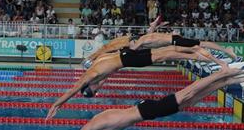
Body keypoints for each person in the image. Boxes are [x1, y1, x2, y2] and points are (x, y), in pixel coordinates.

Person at [28, 65, 244, 130]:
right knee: (188, 102)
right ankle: (229, 80)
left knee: (188, 93)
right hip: (144, 109)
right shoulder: (98, 129)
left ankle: (223, 72)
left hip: (145, 110)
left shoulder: (92, 127)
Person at [45, 45, 225, 120]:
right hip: (126, 54)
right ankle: (201, 55)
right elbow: (108, 50)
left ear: (89, 86)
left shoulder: (89, 76)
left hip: (129, 60)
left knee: (167, 54)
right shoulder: (97, 68)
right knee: (167, 51)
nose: (98, 89)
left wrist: (56, 104)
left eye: (94, 91)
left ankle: (203, 56)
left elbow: (72, 90)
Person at [84, 17, 237, 66]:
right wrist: (157, 23)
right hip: (174, 41)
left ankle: (223, 57)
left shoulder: (140, 41)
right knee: (198, 47)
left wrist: (106, 55)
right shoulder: (144, 38)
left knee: (200, 45)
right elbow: (151, 28)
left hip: (175, 41)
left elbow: (131, 51)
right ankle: (222, 56)